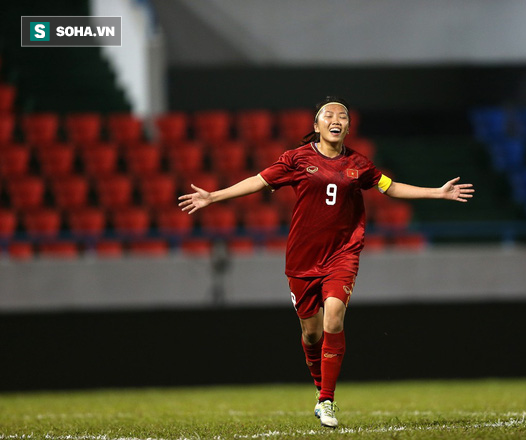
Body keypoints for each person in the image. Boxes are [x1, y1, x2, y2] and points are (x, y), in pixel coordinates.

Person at [178, 96, 474, 428]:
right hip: (302, 259)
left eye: (343, 116)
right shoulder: (296, 159)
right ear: (316, 125)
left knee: (334, 316)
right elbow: (258, 181)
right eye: (329, 115)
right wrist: (213, 197)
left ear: (348, 127)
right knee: (311, 333)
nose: (337, 119)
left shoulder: (359, 164)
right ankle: (320, 386)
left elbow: (390, 188)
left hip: (342, 254)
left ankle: (326, 400)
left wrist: (437, 192)